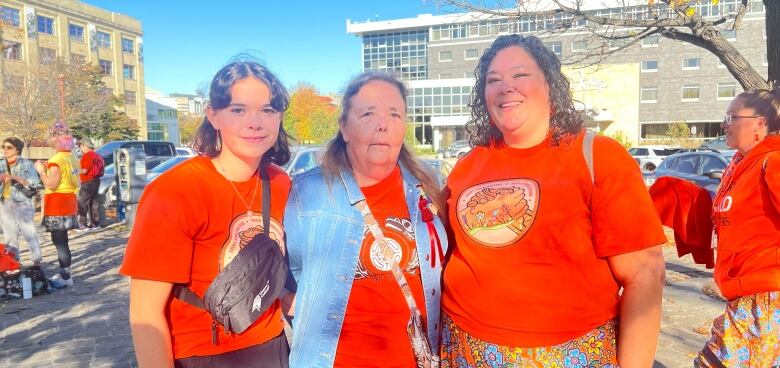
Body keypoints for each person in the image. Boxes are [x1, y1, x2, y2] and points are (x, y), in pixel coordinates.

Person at [440, 34, 666, 367]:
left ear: (550, 86)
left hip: (569, 353)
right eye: (493, 80)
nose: (506, 87)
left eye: (520, 75)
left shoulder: (598, 156)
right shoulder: (468, 164)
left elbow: (645, 276)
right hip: (464, 349)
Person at [119, 60, 293, 368]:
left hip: (272, 348)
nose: (255, 122)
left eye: (267, 110)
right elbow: (145, 312)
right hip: (202, 354)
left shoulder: (281, 183)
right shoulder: (176, 190)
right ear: (213, 115)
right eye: (238, 110)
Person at [285, 72, 448, 367]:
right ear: (344, 127)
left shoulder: (428, 188)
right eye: (368, 113)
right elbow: (285, 275)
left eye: (394, 114)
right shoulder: (308, 192)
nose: (383, 124)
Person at [694, 88, 780, 367]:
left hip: (767, 295)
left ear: (759, 124)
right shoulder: (741, 165)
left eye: (731, 117)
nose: (724, 124)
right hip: (744, 292)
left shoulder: (773, 161)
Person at [34, 122, 80, 290]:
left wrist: (41, 170)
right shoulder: (72, 157)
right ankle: (64, 273)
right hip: (69, 201)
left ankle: (66, 276)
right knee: (62, 240)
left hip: (57, 203)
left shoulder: (56, 160)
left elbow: (52, 184)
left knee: (60, 242)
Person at [0, 137, 43, 265]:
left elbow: (35, 183)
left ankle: (37, 263)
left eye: (9, 147)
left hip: (22, 202)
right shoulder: (1, 164)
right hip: (4, 202)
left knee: (29, 233)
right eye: (3, 147)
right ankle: (13, 264)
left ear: (17, 149)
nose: (5, 150)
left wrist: (14, 177)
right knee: (9, 237)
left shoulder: (26, 164)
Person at [76, 138, 104, 230]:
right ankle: (95, 224)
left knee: (81, 201)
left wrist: (74, 171)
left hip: (87, 182)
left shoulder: (86, 156)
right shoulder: (97, 155)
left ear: (84, 146)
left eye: (80, 146)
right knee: (93, 202)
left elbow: (84, 170)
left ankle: (82, 224)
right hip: (96, 181)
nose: (80, 149)